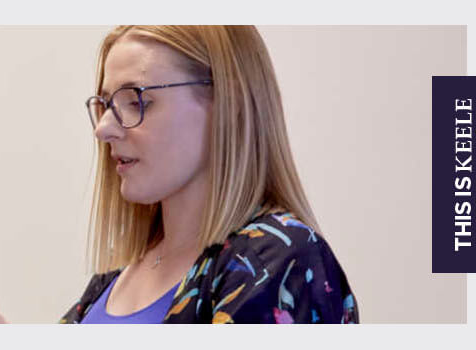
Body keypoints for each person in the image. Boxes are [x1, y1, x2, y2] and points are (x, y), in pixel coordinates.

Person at [54, 25, 359, 324]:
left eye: (137, 102)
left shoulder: (277, 262)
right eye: (105, 105)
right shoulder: (117, 273)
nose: (103, 128)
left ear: (230, 103)